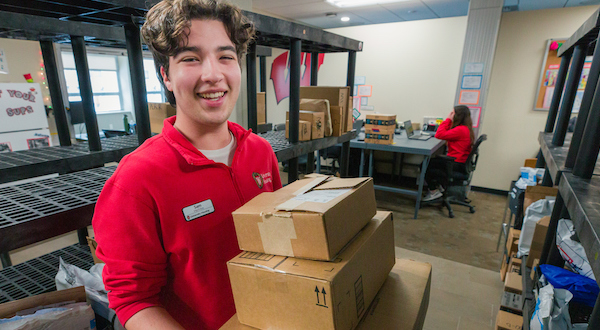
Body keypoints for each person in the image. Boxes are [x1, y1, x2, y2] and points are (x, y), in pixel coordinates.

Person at [92, 1, 282, 329]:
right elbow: (133, 299)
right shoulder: (138, 179)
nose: (213, 74)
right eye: (191, 58)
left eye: (225, 56)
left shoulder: (260, 153)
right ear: (166, 75)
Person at [422, 105, 474, 201]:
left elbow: (439, 134)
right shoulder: (466, 128)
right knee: (432, 162)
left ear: (457, 116)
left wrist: (448, 120)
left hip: (455, 163)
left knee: (425, 164)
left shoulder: (460, 130)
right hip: (460, 162)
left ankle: (434, 191)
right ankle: (439, 188)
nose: (451, 115)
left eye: (452, 113)